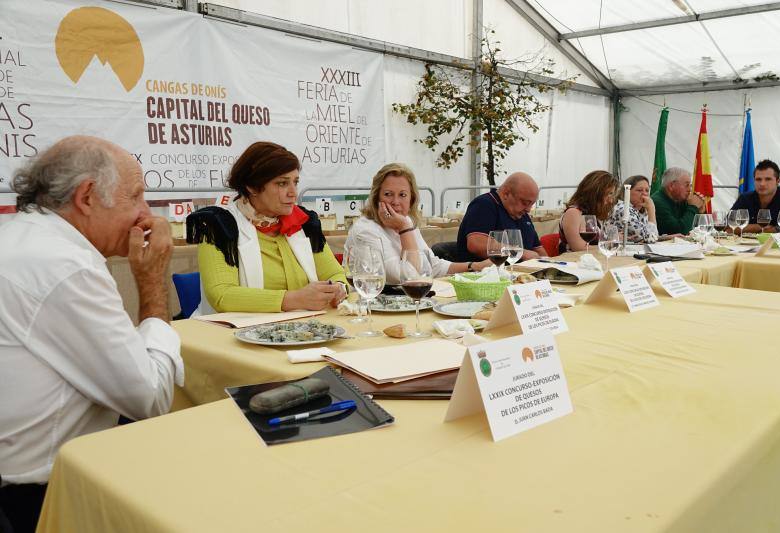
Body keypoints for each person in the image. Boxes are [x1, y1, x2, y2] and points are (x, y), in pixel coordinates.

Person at [0, 136, 184, 533]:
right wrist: (152, 280)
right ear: (86, 196)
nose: (145, 213)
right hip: (40, 499)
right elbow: (150, 399)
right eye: (135, 196)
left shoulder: (21, 238)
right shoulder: (66, 265)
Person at [192, 141, 347, 314]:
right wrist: (294, 299)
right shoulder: (217, 224)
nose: (293, 193)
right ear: (252, 186)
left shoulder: (304, 221)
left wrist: (338, 288)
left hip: (302, 327)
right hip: (238, 330)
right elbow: (222, 295)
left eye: (295, 182)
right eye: (282, 183)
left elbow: (335, 273)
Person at [346, 163, 492, 284]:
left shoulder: (406, 220)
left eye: (402, 195)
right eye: (388, 194)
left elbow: (431, 265)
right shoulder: (365, 230)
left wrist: (475, 267)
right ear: (376, 197)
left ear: (412, 199)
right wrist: (404, 229)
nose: (395, 202)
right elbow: (408, 276)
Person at [456, 172, 547, 262]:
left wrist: (549, 264)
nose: (528, 209)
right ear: (506, 193)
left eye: (531, 204)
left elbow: (538, 249)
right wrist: (520, 253)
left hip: (519, 270)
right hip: (486, 270)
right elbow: (476, 244)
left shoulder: (522, 214)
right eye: (525, 203)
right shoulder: (484, 204)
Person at [558, 170, 618, 253]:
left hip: (592, 258)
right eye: (609, 194)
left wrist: (612, 240)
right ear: (595, 193)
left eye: (612, 194)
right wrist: (609, 246)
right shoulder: (573, 213)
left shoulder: (592, 213)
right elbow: (579, 248)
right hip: (574, 259)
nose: (611, 200)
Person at [730, 159, 780, 232]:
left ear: (778, 181)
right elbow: (729, 227)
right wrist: (759, 227)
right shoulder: (745, 198)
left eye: (768, 179)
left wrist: (743, 228)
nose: (762, 184)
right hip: (743, 240)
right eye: (758, 179)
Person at [651, 166, 706, 235]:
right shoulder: (657, 202)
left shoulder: (680, 199)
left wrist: (699, 212)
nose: (690, 190)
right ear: (671, 186)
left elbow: (698, 230)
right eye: (687, 185)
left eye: (690, 185)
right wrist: (693, 207)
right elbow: (679, 231)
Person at [607, 175, 659, 243]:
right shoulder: (623, 209)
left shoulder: (641, 210)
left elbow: (652, 236)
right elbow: (650, 239)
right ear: (627, 192)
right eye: (639, 190)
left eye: (647, 190)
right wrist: (651, 210)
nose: (645, 194)